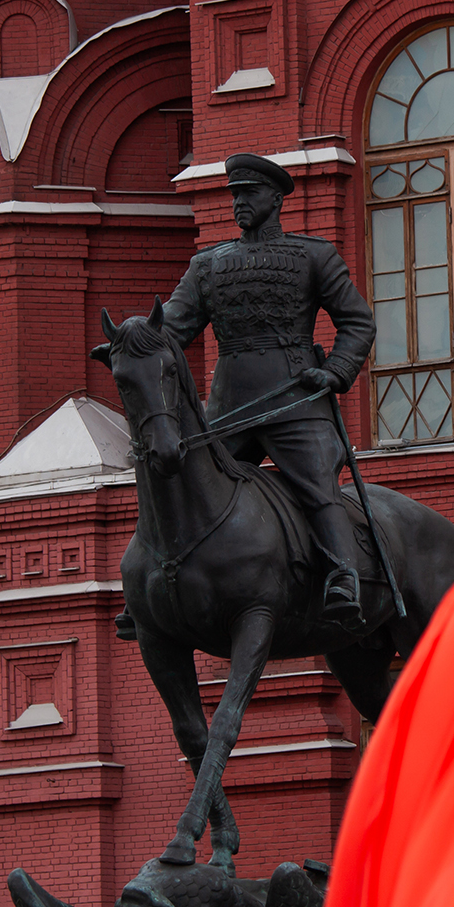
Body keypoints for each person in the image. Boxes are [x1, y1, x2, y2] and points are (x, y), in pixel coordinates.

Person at [161, 153, 376, 630]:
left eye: (249, 194)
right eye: (235, 195)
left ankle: (344, 577)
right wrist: (133, 341)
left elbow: (357, 321)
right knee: (178, 482)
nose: (239, 203)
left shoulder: (313, 256)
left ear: (275, 199)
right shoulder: (207, 265)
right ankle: (157, 582)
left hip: (295, 400)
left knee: (317, 486)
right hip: (229, 407)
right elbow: (170, 332)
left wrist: (336, 372)